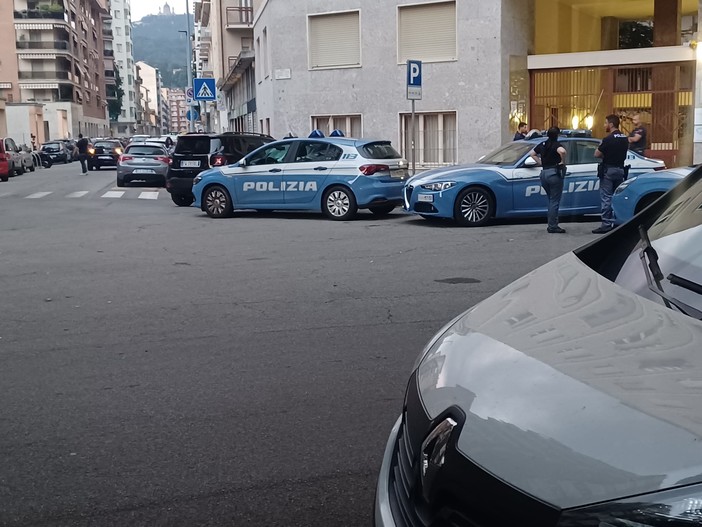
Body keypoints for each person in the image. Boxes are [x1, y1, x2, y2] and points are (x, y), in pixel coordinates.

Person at [593, 114, 629, 234]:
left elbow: (597, 154)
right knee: (617, 196)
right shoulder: (624, 138)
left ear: (611, 124)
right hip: (620, 170)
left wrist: (605, 153)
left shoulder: (608, 139)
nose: (604, 125)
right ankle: (617, 221)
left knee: (606, 197)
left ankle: (606, 224)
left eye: (605, 123)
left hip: (608, 170)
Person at [529, 127, 567, 233]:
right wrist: (562, 162)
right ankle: (553, 226)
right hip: (554, 173)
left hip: (544, 173)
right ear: (557, 135)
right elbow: (562, 151)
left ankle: (552, 224)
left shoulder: (543, 144)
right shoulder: (556, 144)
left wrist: (540, 162)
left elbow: (532, 153)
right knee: (554, 201)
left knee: (551, 200)